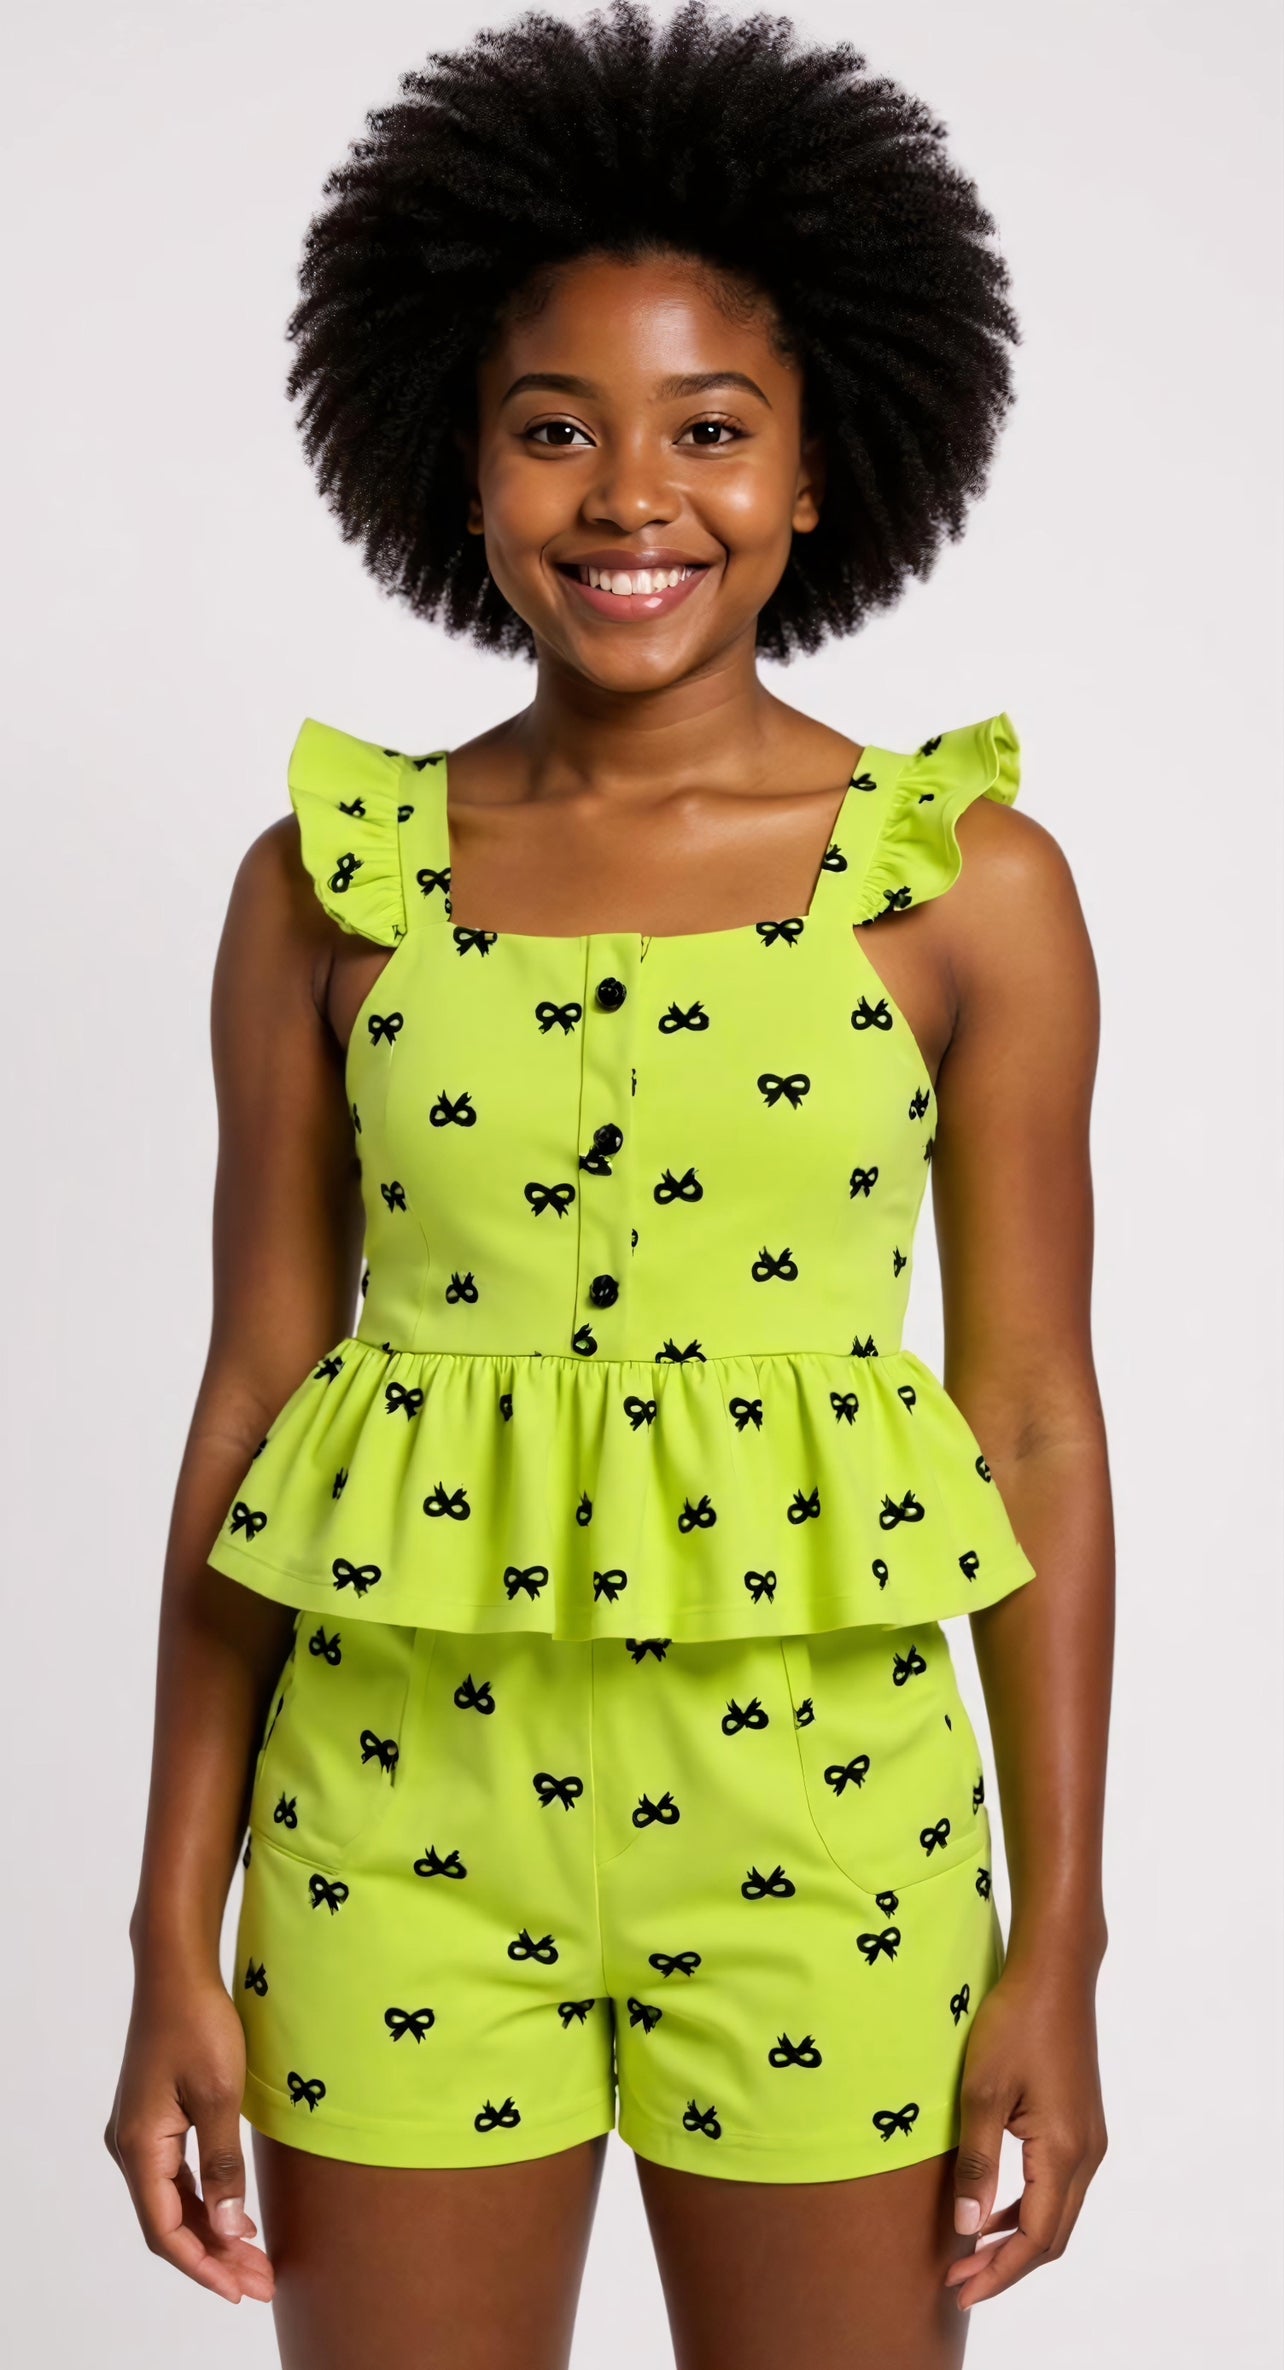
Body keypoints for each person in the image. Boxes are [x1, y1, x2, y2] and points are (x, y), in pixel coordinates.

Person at [104, 4, 1112, 2363]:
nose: (631, 495)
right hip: (391, 1833)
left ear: (821, 470)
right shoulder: (328, 881)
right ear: (455, 465)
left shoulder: (964, 885)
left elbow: (1034, 1420)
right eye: (555, 426)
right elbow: (256, 1399)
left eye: (711, 429)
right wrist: (166, 1927)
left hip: (830, 1836)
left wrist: (1062, 1940)